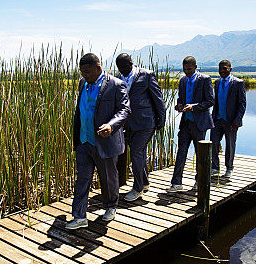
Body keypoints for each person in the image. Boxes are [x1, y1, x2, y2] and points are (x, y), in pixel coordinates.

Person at [67, 53, 130, 229]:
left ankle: (111, 206)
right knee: (82, 179)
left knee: (108, 178)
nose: (84, 75)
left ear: (98, 68)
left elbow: (124, 110)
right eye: (82, 72)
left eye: (87, 71)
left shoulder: (116, 84)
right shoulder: (83, 83)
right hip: (84, 141)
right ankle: (79, 217)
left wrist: (111, 126)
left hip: (104, 141)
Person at [115, 53, 167, 201]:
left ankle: (137, 189)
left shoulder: (147, 75)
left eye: (125, 67)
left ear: (131, 63)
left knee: (137, 151)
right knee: (139, 152)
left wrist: (161, 121)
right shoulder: (118, 77)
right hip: (128, 124)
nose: (123, 70)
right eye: (120, 67)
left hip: (146, 122)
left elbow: (158, 99)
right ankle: (144, 183)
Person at [168, 56, 214, 192]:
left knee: (200, 154)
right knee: (181, 153)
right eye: (184, 69)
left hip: (199, 123)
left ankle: (200, 181)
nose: (186, 72)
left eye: (189, 69)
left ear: (195, 67)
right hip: (185, 123)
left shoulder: (205, 79)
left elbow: (210, 101)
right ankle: (176, 183)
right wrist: (179, 105)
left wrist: (193, 107)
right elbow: (180, 98)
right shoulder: (182, 81)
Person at [211, 60, 246, 178]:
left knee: (230, 144)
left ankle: (229, 168)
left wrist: (237, 120)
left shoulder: (238, 83)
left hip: (231, 121)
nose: (222, 71)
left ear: (230, 69)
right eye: (220, 69)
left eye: (225, 68)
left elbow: (242, 104)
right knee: (213, 143)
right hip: (217, 119)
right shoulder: (217, 82)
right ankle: (215, 168)